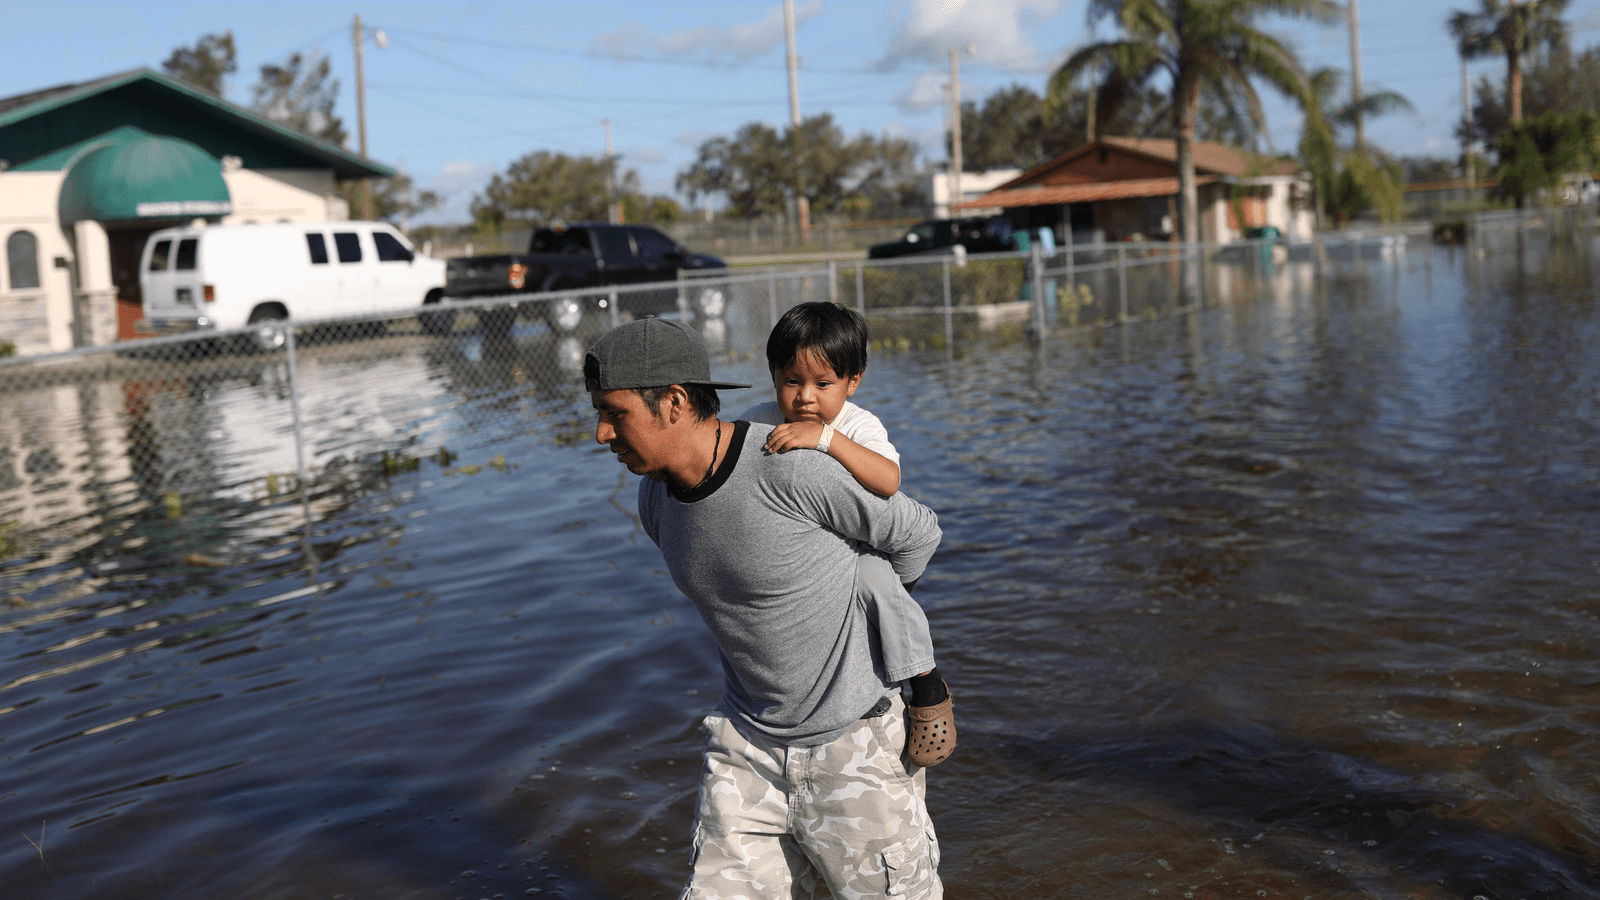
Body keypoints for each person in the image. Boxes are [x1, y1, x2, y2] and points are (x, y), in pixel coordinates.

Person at [587, 316, 945, 900]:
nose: (601, 433)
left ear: (674, 402)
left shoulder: (794, 465)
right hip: (746, 746)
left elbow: (919, 534)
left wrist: (871, 602)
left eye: (614, 412)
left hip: (855, 744)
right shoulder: (655, 498)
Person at [737, 302, 955, 767]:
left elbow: (889, 481)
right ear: (772, 374)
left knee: (877, 584)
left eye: (823, 384)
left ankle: (925, 681)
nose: (805, 398)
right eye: (791, 381)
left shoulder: (856, 424)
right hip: (805, 549)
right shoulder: (758, 420)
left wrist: (826, 440)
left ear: (852, 381)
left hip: (862, 547)